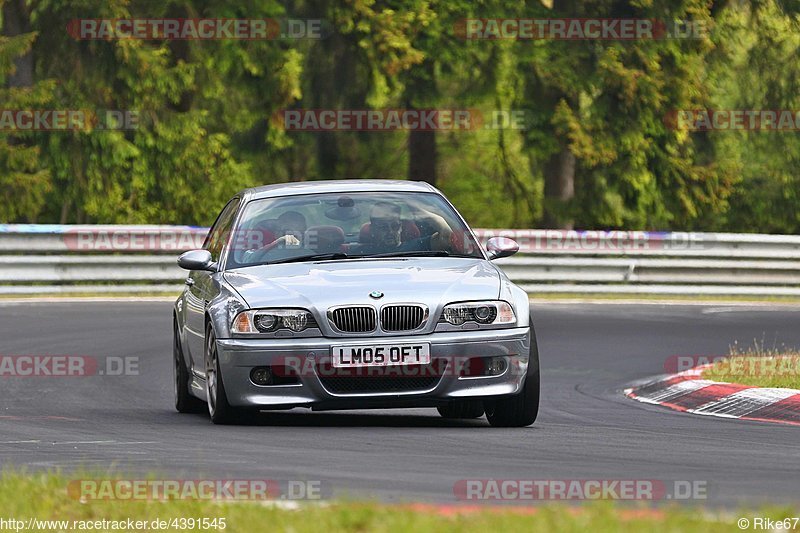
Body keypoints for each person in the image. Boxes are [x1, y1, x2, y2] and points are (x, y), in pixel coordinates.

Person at [357, 202, 453, 255]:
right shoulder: (361, 252)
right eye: (383, 227)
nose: (390, 231)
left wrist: (418, 211)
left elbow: (447, 235)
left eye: (395, 226)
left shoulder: (418, 246)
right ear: (373, 230)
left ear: (401, 227)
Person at [240, 210, 307, 263]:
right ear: (276, 233)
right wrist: (277, 243)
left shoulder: (311, 253)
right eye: (287, 232)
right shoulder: (261, 254)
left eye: (300, 233)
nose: (292, 237)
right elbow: (247, 260)